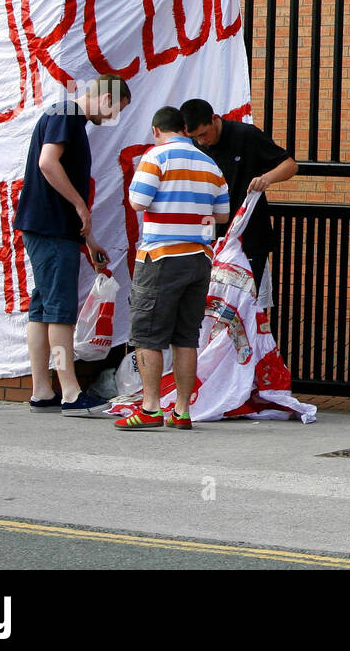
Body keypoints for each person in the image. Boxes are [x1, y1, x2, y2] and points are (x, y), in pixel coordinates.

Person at [14, 74, 130, 416]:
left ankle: (42, 390)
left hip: (49, 226)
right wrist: (80, 206)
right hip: (51, 227)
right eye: (116, 110)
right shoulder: (66, 115)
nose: (112, 119)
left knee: (43, 308)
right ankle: (69, 390)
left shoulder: (65, 116)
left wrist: (88, 237)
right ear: (106, 98)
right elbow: (47, 162)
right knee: (59, 311)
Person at [114, 106, 229, 431]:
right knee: (186, 337)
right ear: (185, 129)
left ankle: (150, 408)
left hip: (160, 257)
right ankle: (181, 410)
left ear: (156, 131)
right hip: (199, 260)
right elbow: (221, 215)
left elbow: (137, 201)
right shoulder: (209, 163)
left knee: (148, 335)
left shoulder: (156, 157)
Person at [179, 99, 297, 290]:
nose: (201, 141)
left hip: (247, 234)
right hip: (208, 235)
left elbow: (290, 165)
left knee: (244, 300)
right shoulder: (193, 146)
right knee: (207, 302)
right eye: (195, 137)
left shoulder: (246, 135)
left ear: (214, 119)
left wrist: (266, 178)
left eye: (203, 134)